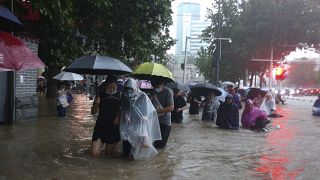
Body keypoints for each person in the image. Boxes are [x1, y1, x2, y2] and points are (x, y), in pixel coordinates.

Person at [120, 78, 162, 160]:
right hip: (128, 124)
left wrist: (145, 116)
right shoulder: (124, 96)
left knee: (138, 147)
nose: (129, 93)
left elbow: (149, 109)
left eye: (131, 91)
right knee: (126, 148)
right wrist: (125, 115)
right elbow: (123, 108)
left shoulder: (142, 96)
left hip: (139, 124)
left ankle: (135, 165)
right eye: (127, 91)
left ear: (135, 89)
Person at [91, 76, 121, 156]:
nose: (111, 89)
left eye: (113, 88)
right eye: (109, 87)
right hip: (100, 125)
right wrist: (97, 104)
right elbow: (93, 112)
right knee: (95, 153)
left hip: (113, 127)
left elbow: (121, 109)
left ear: (116, 86)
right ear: (105, 86)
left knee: (109, 154)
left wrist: (118, 117)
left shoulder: (120, 95)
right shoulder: (100, 94)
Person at [151, 80, 174, 149]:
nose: (155, 88)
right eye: (154, 86)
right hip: (155, 122)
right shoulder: (153, 91)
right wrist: (151, 97)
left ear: (162, 83)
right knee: (154, 145)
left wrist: (157, 111)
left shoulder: (168, 92)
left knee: (161, 147)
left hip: (165, 123)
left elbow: (171, 107)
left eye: (157, 86)